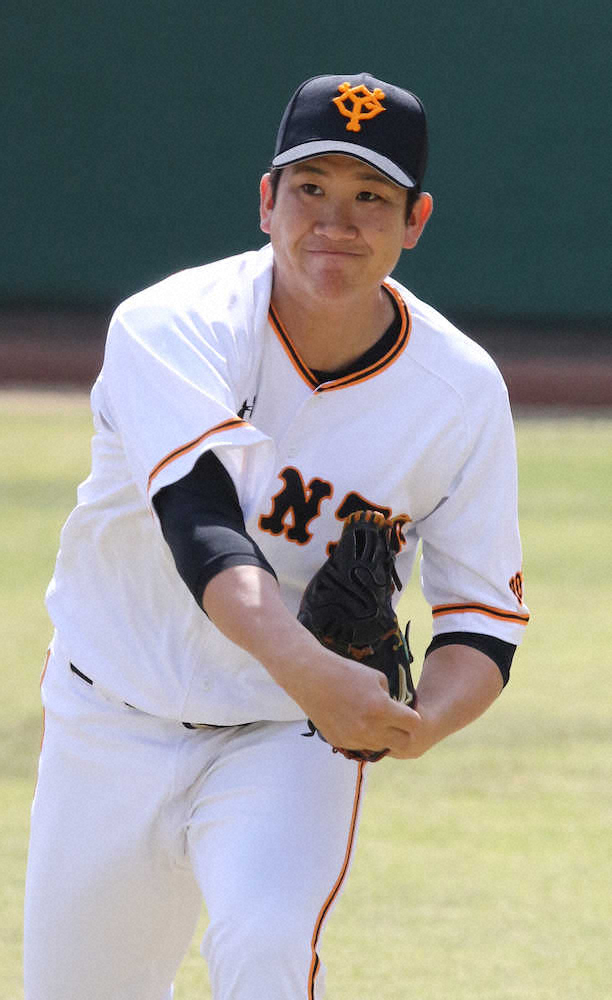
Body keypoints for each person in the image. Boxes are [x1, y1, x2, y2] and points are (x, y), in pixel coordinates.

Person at [24, 73, 529, 1000]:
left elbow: (482, 622)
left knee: (267, 950)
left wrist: (416, 724)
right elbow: (203, 531)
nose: (335, 221)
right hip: (112, 713)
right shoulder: (172, 324)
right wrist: (318, 675)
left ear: (415, 221)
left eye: (370, 197)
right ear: (267, 201)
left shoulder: (459, 391)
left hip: (288, 740)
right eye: (311, 188)